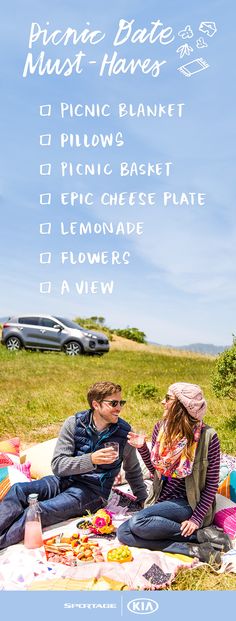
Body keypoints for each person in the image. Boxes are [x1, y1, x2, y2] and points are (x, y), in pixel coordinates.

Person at [0, 381, 147, 549]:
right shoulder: (75, 423)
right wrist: (91, 460)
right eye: (113, 403)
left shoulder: (124, 432)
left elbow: (133, 470)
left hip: (92, 492)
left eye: (121, 403)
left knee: (37, 511)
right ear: (96, 404)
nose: (119, 408)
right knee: (19, 490)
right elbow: (58, 465)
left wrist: (143, 499)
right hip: (62, 480)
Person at [118, 382, 232, 564]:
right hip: (162, 499)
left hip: (189, 503)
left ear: (182, 405)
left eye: (168, 398)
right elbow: (156, 470)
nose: (162, 402)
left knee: (137, 523)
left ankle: (198, 532)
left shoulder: (208, 436)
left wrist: (196, 519)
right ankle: (196, 544)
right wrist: (142, 448)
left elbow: (211, 485)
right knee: (123, 533)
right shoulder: (160, 429)